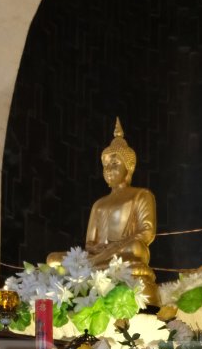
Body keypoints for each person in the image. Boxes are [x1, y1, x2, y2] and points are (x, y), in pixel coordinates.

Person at [48, 118, 159, 303]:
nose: (108, 169)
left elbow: (147, 232)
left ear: (129, 167)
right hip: (100, 256)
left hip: (125, 252)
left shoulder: (141, 195)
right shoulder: (99, 204)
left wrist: (117, 246)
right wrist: (100, 249)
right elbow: (90, 243)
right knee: (53, 259)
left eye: (114, 164)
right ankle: (92, 270)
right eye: (106, 165)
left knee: (137, 249)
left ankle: (91, 271)